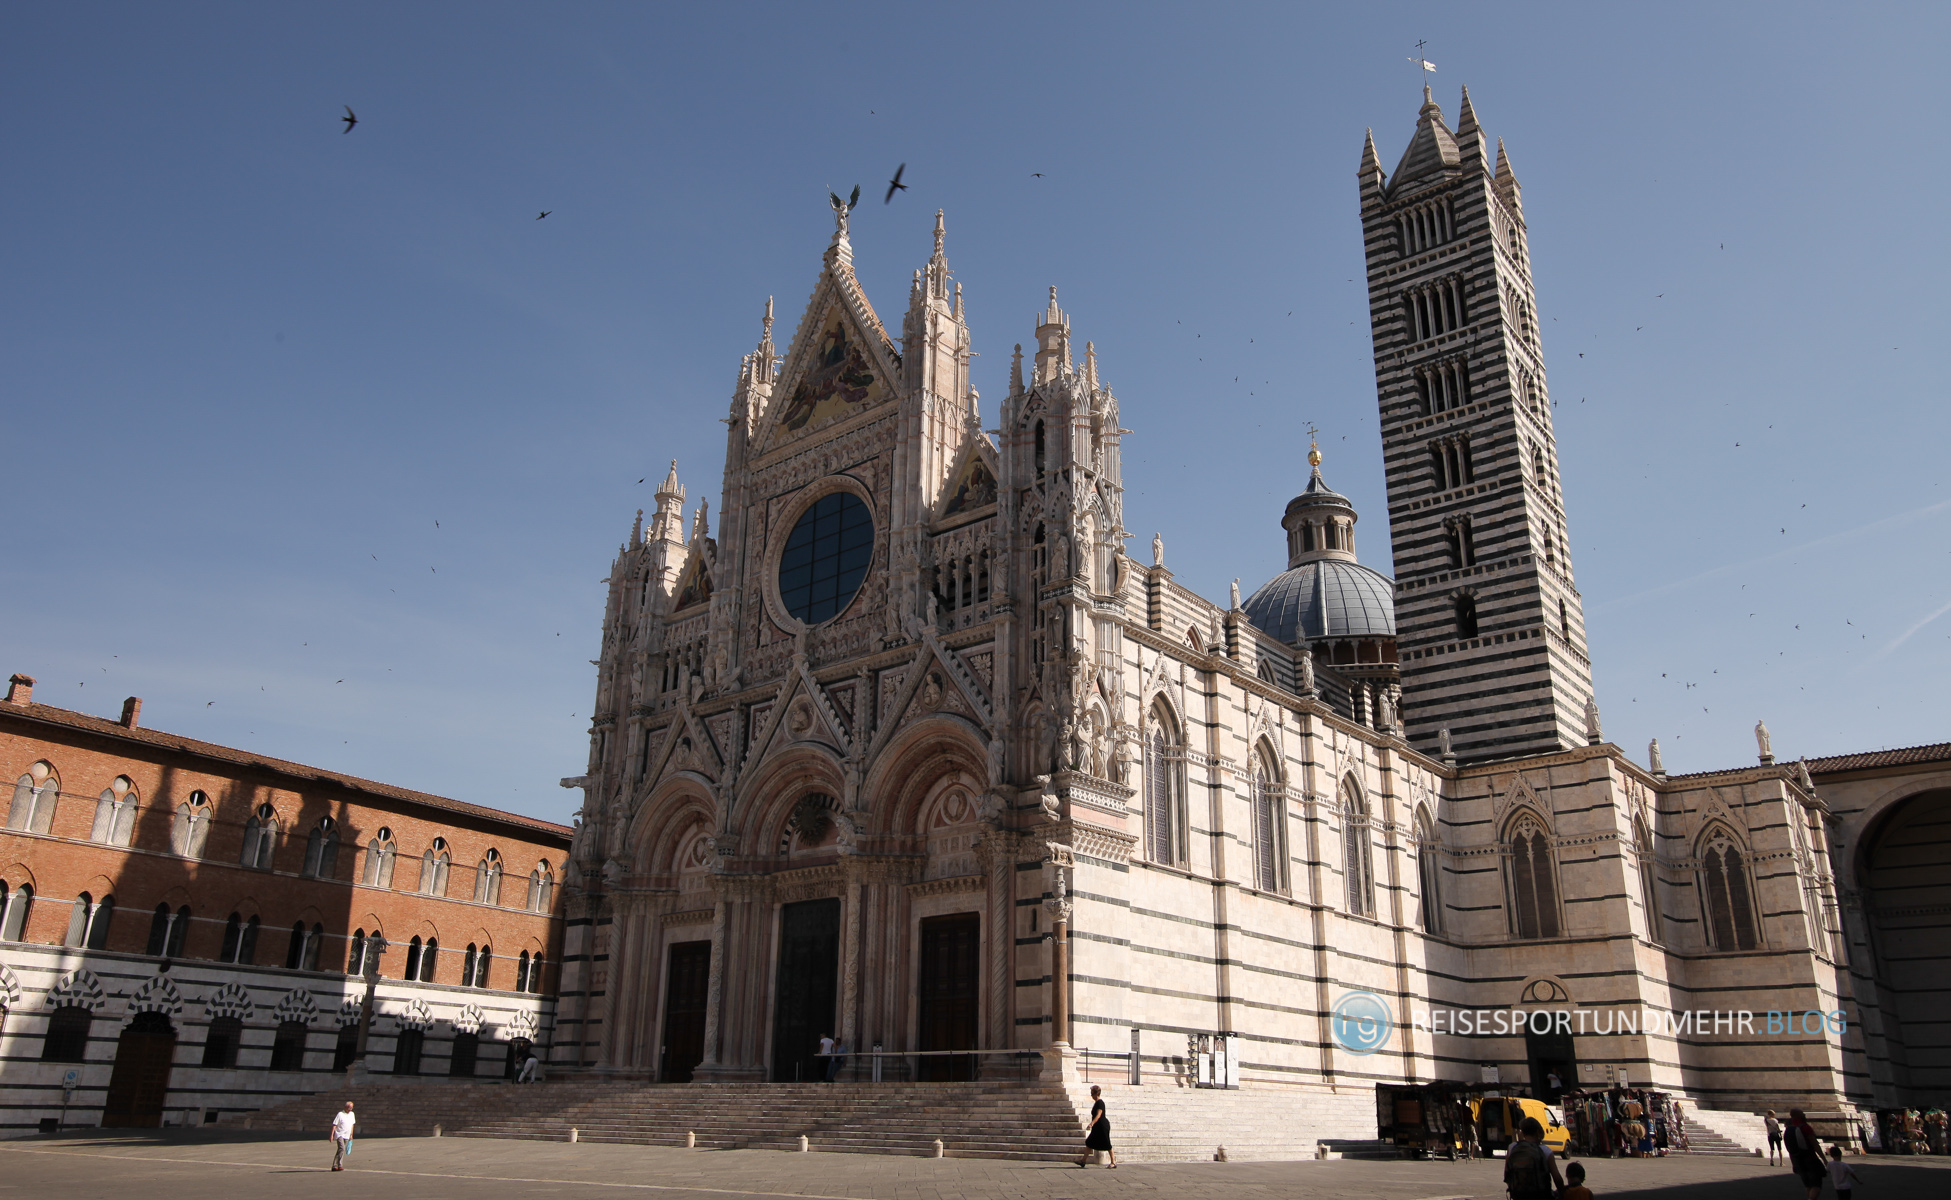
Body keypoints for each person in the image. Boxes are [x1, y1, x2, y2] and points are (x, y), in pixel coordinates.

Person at [1504, 1116, 1564, 1200]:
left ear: (1523, 1132)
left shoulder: (1512, 1148)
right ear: (1538, 1132)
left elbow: (1507, 1174)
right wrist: (1562, 1193)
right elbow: (1557, 1178)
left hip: (1518, 1195)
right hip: (1540, 1195)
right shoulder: (1545, 1150)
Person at [1784, 1109, 1825, 1200]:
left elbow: (1790, 1148)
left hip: (1798, 1160)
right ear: (1797, 1115)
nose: (1804, 1114)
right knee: (1816, 1186)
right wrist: (1824, 1159)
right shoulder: (1805, 1127)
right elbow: (1815, 1144)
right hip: (1810, 1159)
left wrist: (1794, 1163)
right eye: (1802, 1113)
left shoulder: (1789, 1129)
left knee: (1808, 1185)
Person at [1079, 1084, 1116, 1168]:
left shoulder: (1100, 1103)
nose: (1091, 1096)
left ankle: (1113, 1162)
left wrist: (1091, 1124)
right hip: (1097, 1126)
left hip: (1102, 1126)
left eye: (1092, 1094)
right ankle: (1083, 1161)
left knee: (1107, 1143)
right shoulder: (1096, 1103)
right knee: (1089, 1142)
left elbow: (1099, 1115)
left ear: (1097, 1094)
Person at [330, 1101, 356, 1171]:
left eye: (351, 1108)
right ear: (345, 1107)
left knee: (340, 1150)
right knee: (342, 1148)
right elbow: (334, 1125)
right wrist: (332, 1135)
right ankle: (339, 1164)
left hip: (347, 1134)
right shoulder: (340, 1114)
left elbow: (352, 1125)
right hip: (339, 1134)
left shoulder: (352, 1114)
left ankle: (335, 1165)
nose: (350, 1109)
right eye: (349, 1108)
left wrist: (351, 1135)